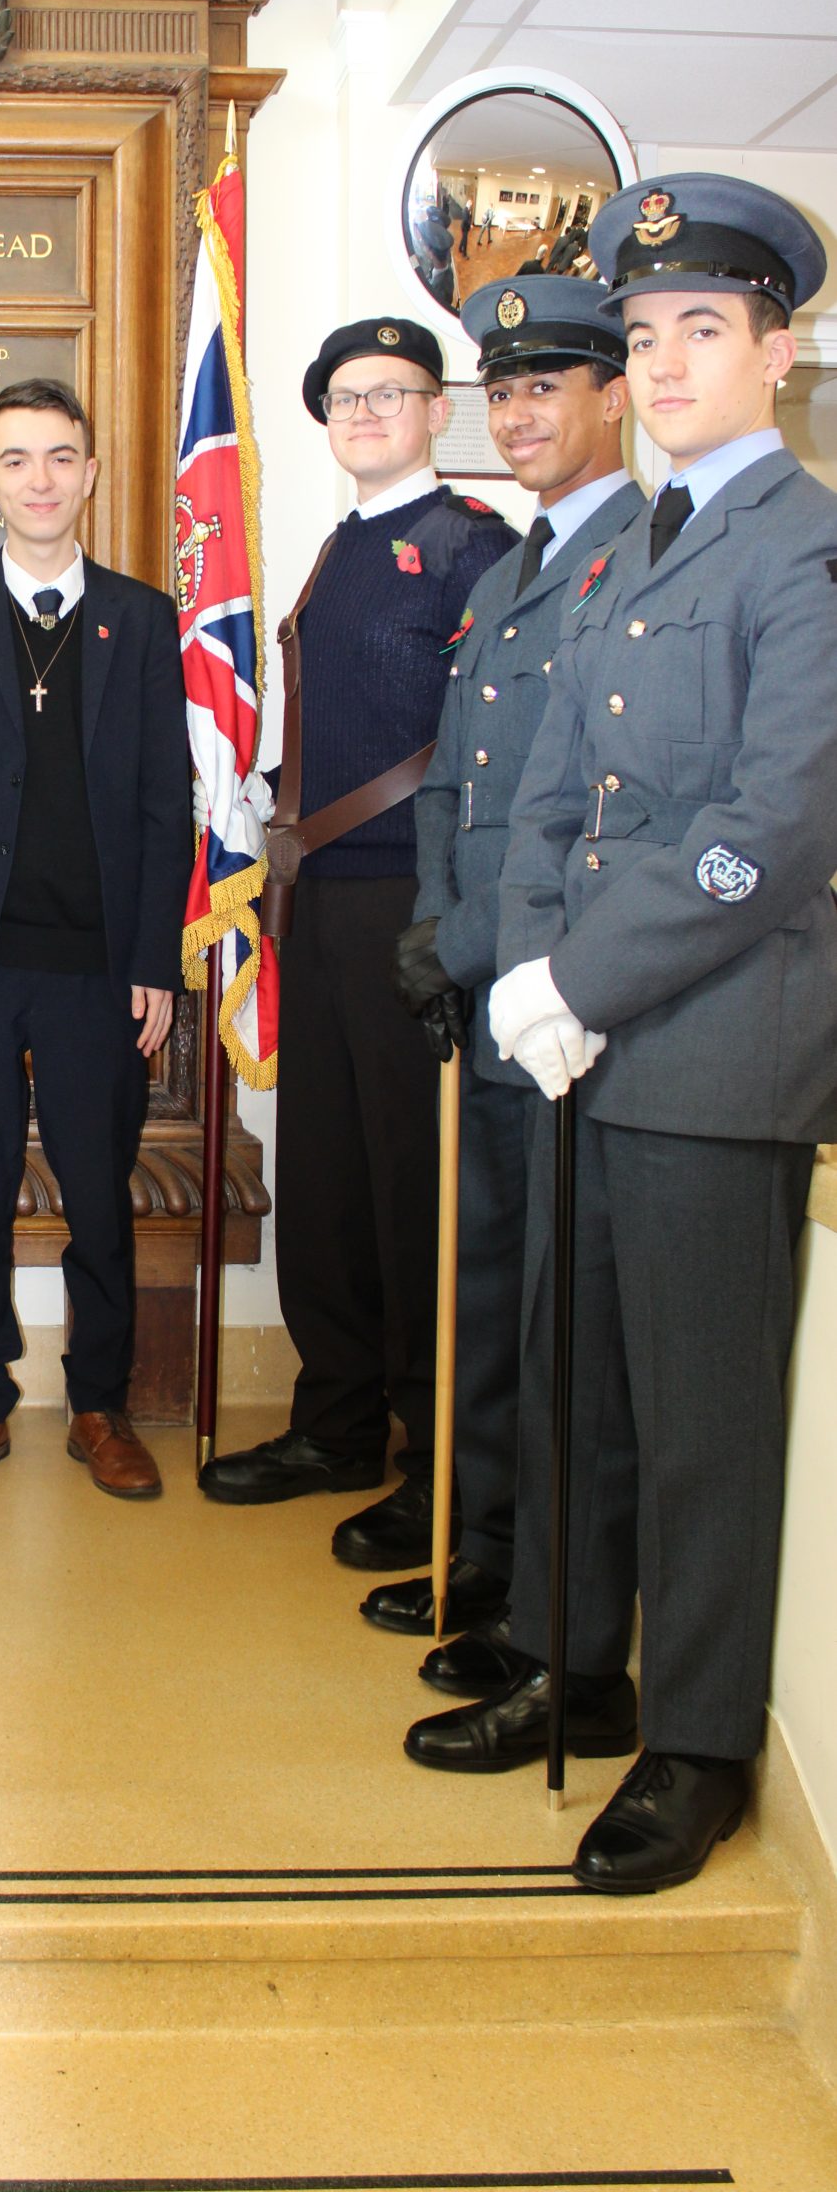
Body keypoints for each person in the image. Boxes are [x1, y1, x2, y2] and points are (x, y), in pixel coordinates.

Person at [407, 174, 837, 1894]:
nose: (661, 364)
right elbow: (542, 801)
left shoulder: (801, 550)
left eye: (698, 330)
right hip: (579, 1046)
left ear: (778, 353)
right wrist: (529, 979)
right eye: (644, 334)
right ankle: (569, 1659)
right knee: (573, 1381)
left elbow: (768, 829)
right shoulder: (635, 542)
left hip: (715, 1054)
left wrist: (575, 982)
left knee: (696, 1424)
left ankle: (697, 1743)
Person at [201, 320, 516, 1566]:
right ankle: (335, 1423)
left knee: (414, 1187)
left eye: (393, 392)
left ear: (439, 409)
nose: (368, 412)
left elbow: (490, 746)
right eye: (345, 397)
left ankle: (440, 1461)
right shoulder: (340, 546)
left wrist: (456, 913)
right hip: (324, 897)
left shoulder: (476, 548)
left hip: (412, 899)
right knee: (327, 1175)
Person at [379, 277, 642, 1680]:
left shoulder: (638, 562)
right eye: (503, 389)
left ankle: (545, 1586)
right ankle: (484, 1545)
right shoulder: (505, 576)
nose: (519, 413)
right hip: (484, 991)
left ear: (614, 397)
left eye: (547, 386)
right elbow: (452, 788)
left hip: (567, 1003)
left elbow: (591, 808)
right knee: (483, 1280)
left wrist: (472, 941)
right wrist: (436, 926)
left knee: (558, 1314)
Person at [0, 377, 189, 1500]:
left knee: (98, 1196)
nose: (41, 479)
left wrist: (154, 959)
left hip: (98, 969)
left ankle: (99, 1405)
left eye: (61, 456)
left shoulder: (141, 618)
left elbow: (163, 804)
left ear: (90, 472)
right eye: (16, 459)